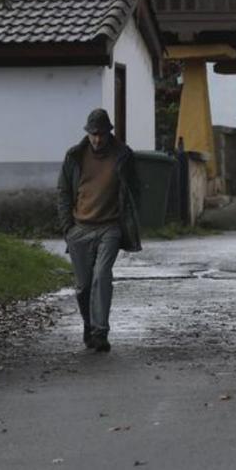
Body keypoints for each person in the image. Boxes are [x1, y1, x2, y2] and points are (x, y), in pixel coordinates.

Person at [56, 108, 142, 352]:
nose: (97, 139)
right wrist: (67, 228)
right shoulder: (74, 156)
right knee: (83, 285)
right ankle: (89, 325)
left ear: (109, 133)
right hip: (79, 229)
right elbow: (63, 192)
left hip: (110, 227)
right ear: (88, 133)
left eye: (102, 134)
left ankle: (100, 332)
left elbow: (134, 189)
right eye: (93, 134)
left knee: (102, 276)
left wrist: (129, 219)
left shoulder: (123, 155)